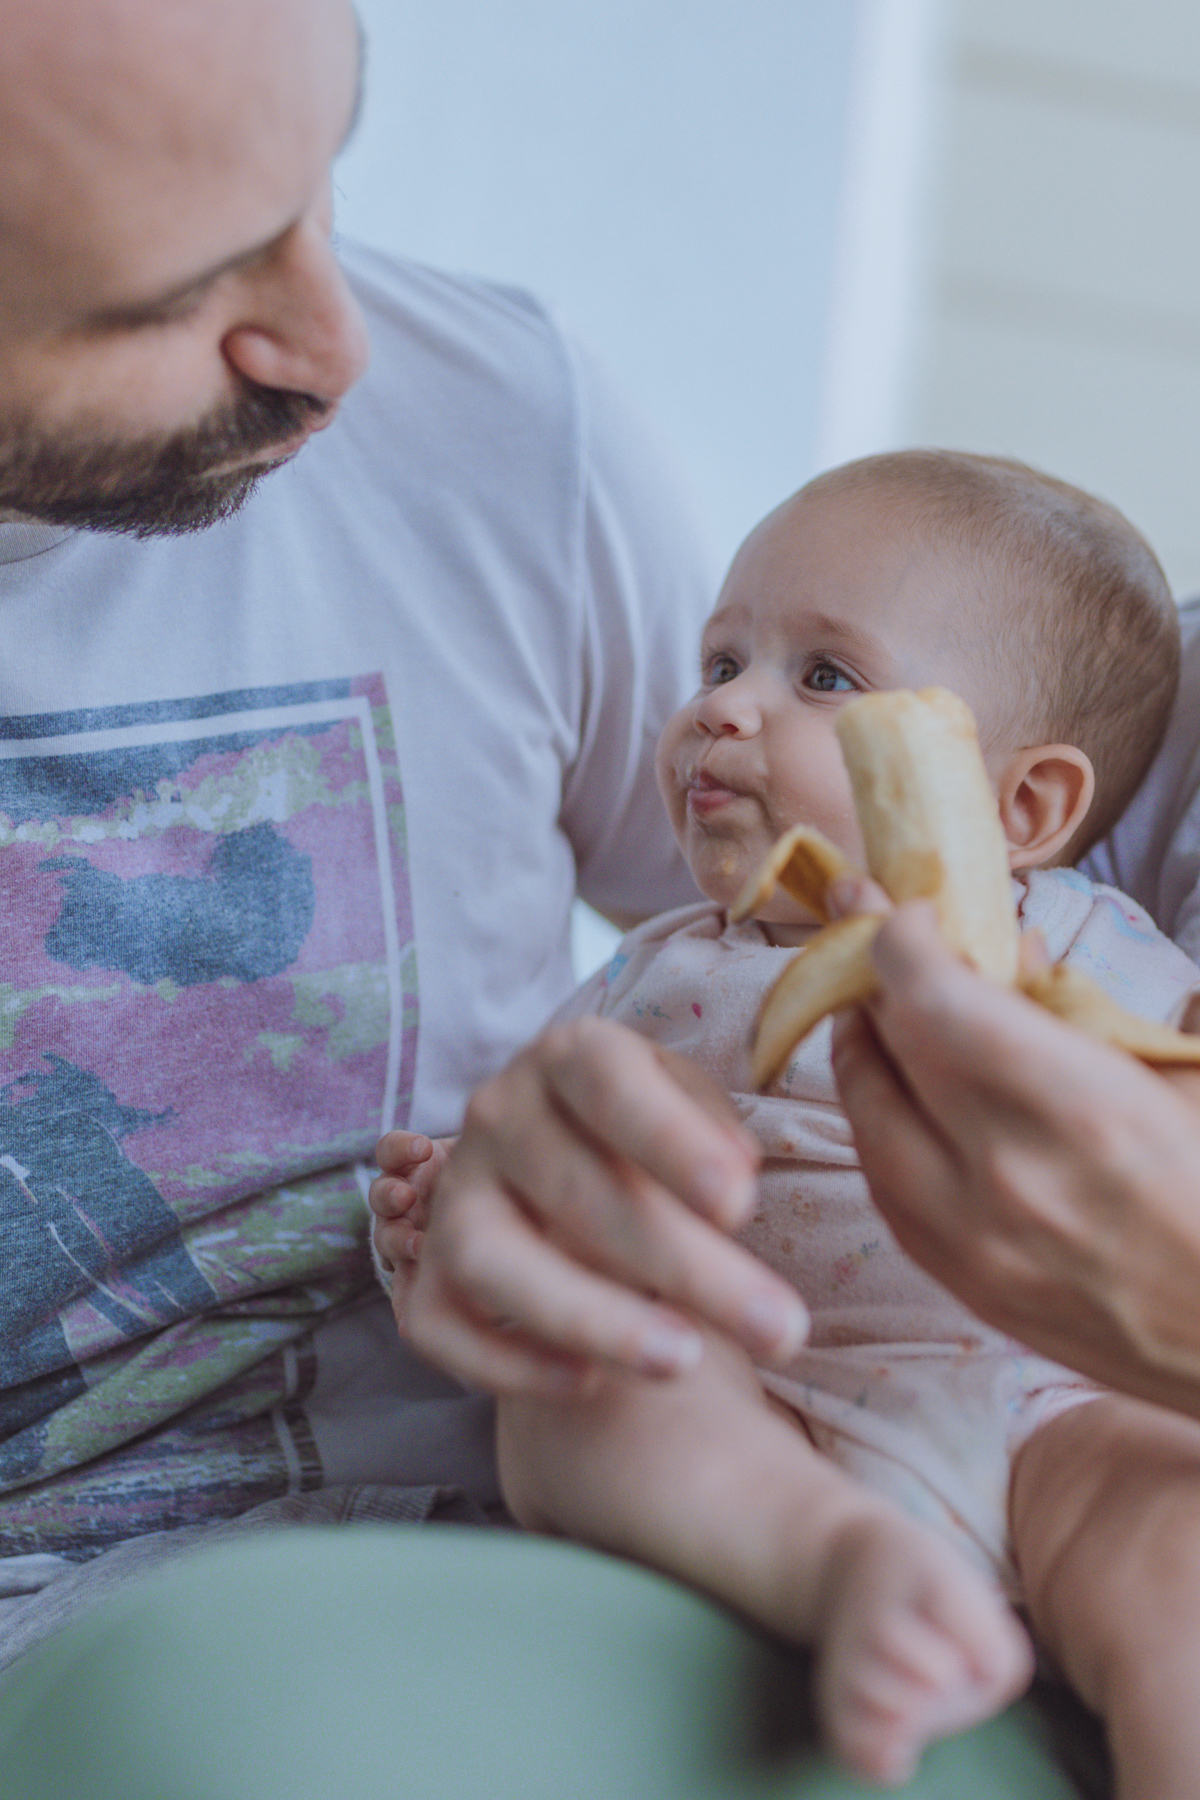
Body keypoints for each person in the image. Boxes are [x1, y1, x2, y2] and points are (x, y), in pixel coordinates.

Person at [0, 0, 729, 1649]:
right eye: (178, 298)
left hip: (553, 1587)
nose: (340, 348)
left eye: (324, 179)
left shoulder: (512, 429)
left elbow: (816, 981)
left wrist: (662, 1179)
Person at [381, 452, 1200, 1793]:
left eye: (824, 677)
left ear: (1022, 807)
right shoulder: (653, 971)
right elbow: (547, 1185)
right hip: (749, 1410)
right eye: (720, 661)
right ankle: (841, 1563)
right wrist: (455, 1202)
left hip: (1051, 1407)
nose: (723, 709)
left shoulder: (1085, 950)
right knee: (580, 1381)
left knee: (1177, 1549)